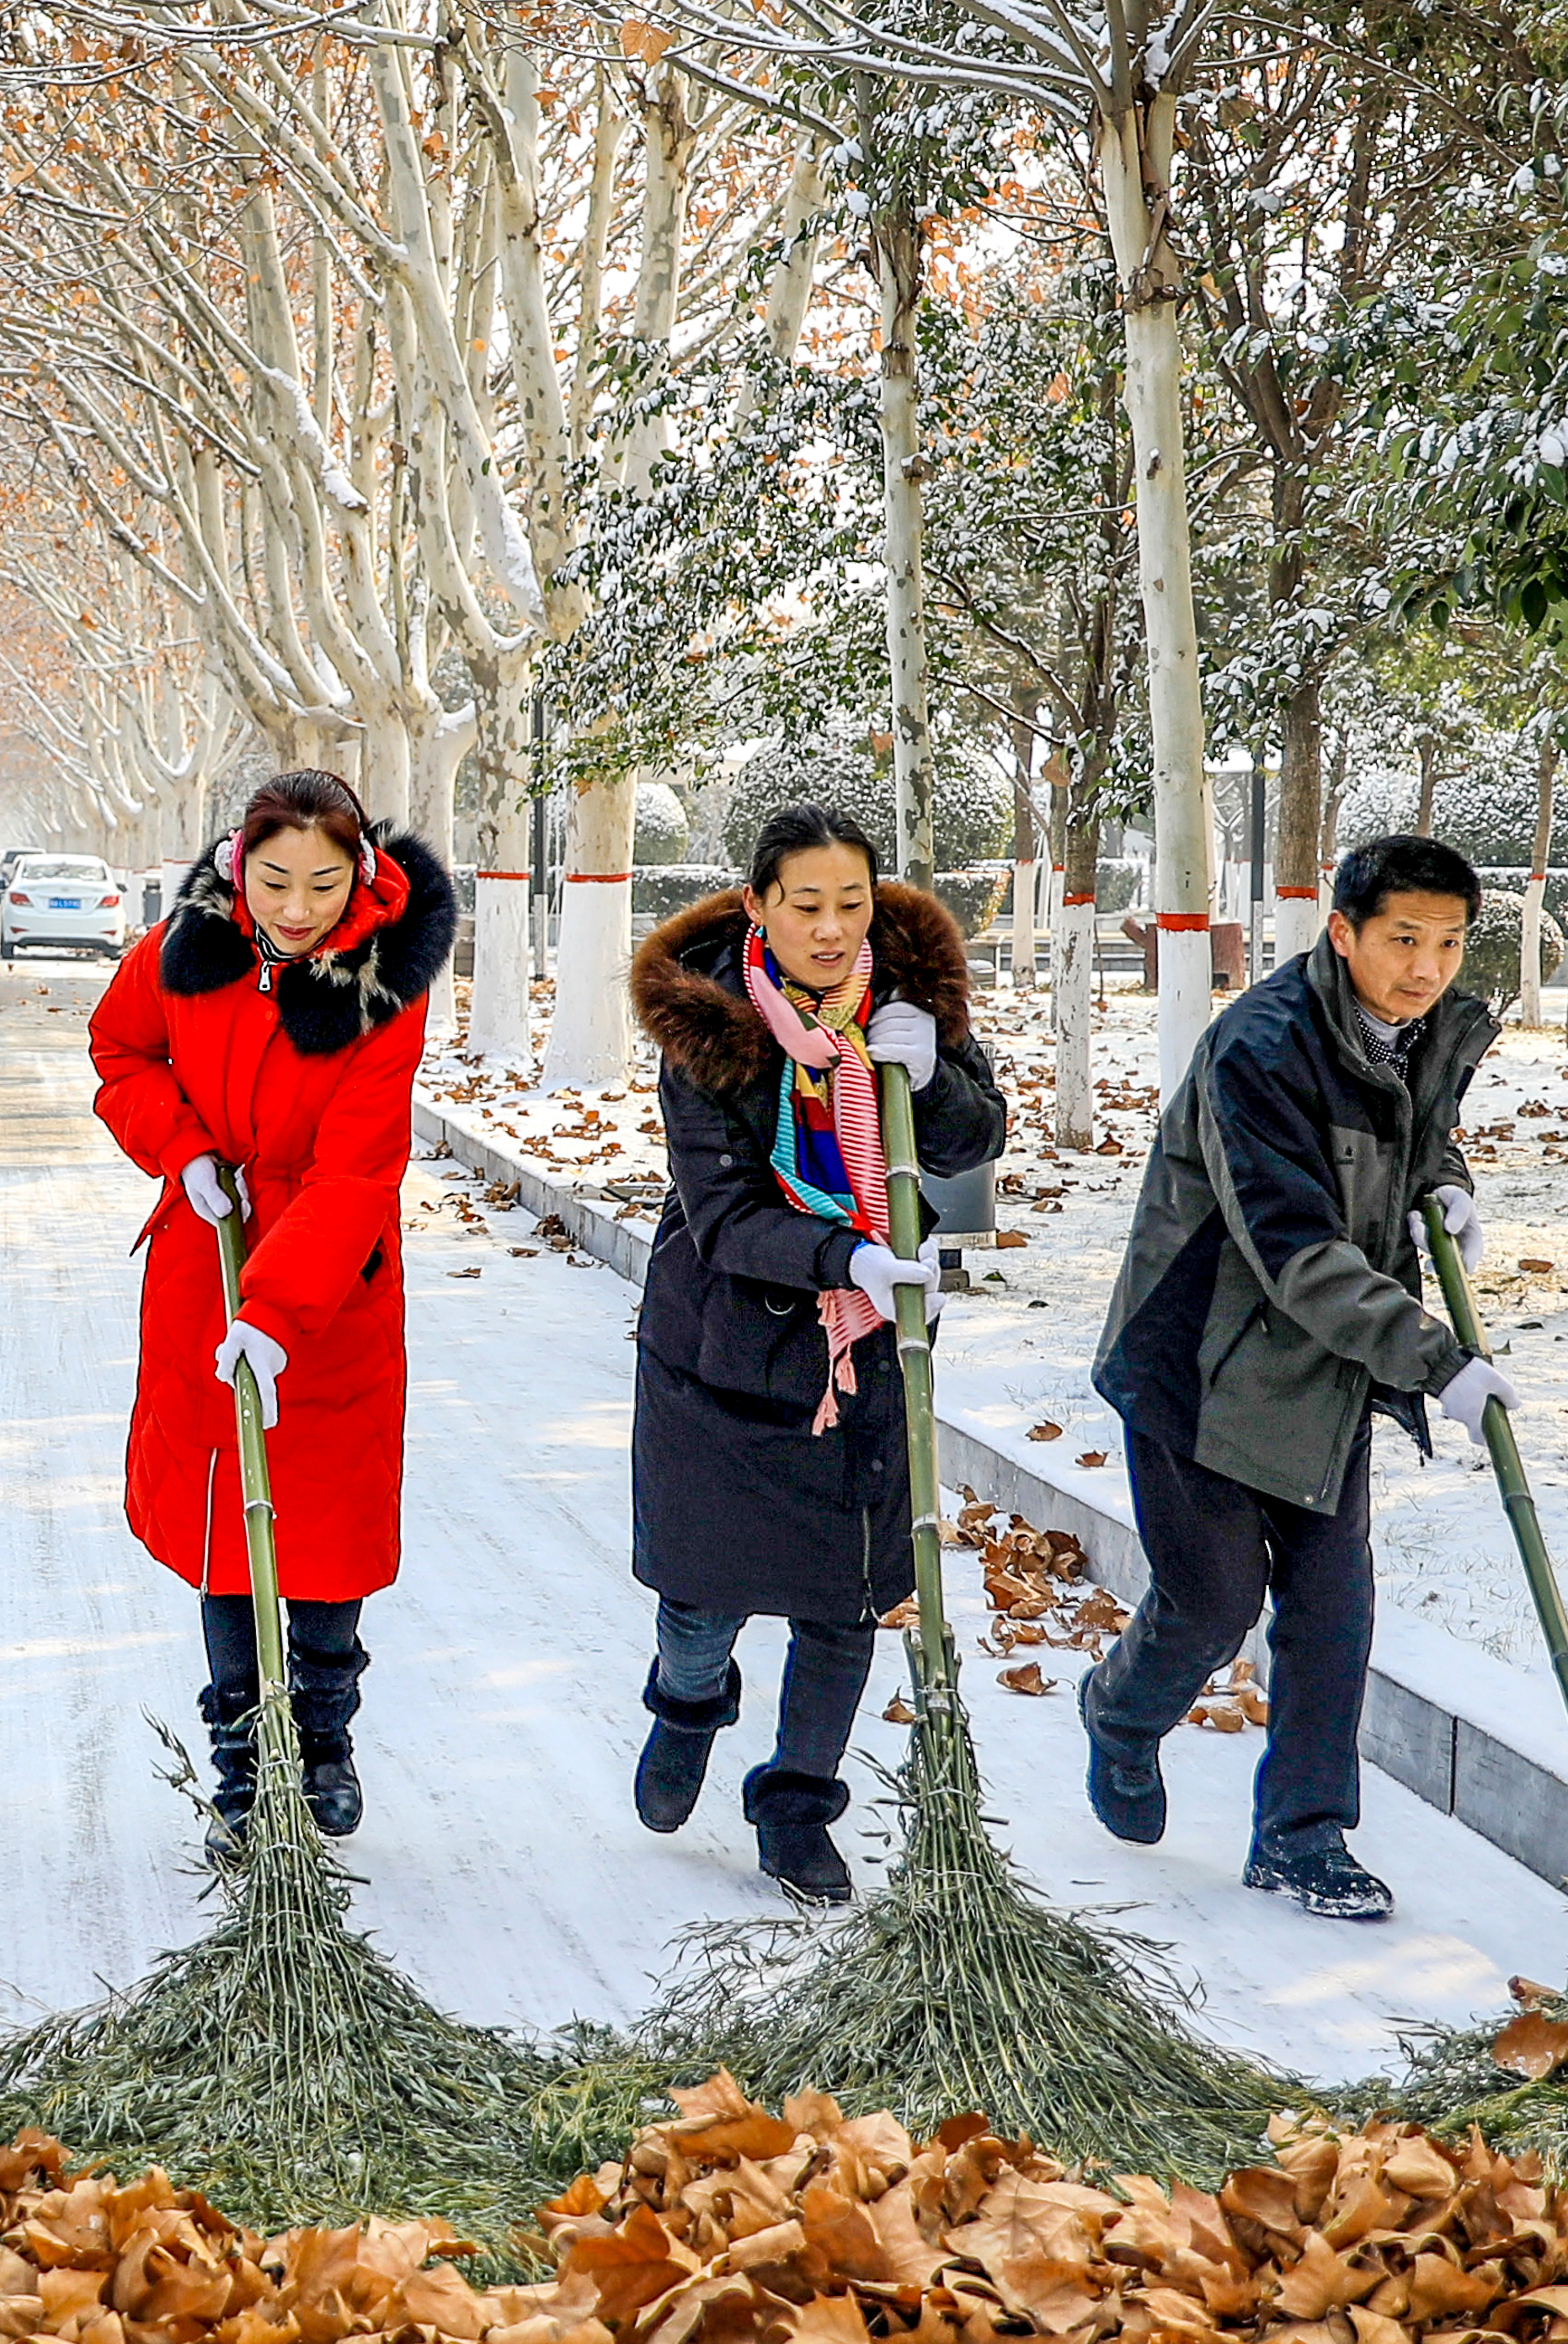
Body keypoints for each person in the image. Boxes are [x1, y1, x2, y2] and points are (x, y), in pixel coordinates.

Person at [1077, 831, 1503, 1920]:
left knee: (1332, 1603)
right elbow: (1296, 1252)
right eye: (1402, 939)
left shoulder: (1421, 1029)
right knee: (1212, 1601)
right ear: (1341, 932)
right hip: (1200, 1370)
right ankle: (1119, 1715)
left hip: (1319, 1370)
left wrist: (1441, 1181)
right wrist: (1435, 1359)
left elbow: (1409, 1133)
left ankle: (1301, 1835)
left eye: (1448, 943)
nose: (1425, 967)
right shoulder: (1255, 1050)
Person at [623, 802, 1008, 1903]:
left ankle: (796, 1802)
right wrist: (845, 1257)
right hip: (725, 1350)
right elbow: (723, 1215)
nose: (831, 929)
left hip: (867, 1357)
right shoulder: (706, 1028)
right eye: (805, 907)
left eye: (851, 904)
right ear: (757, 906)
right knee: (700, 1596)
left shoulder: (902, 1002)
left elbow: (973, 1138)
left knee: (842, 1599)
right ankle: (686, 1704)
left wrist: (930, 1072)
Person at [87, 770, 459, 1837]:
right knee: (224, 1527)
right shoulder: (180, 952)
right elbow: (120, 1054)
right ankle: (245, 1761)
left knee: (323, 1532)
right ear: (236, 868)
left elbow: (356, 1172)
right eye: (273, 880)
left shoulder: (384, 987)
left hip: (331, 1285)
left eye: (324, 883)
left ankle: (327, 1739)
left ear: (364, 874)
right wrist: (183, 1148)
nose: (297, 909)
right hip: (204, 1261)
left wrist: (282, 1311)